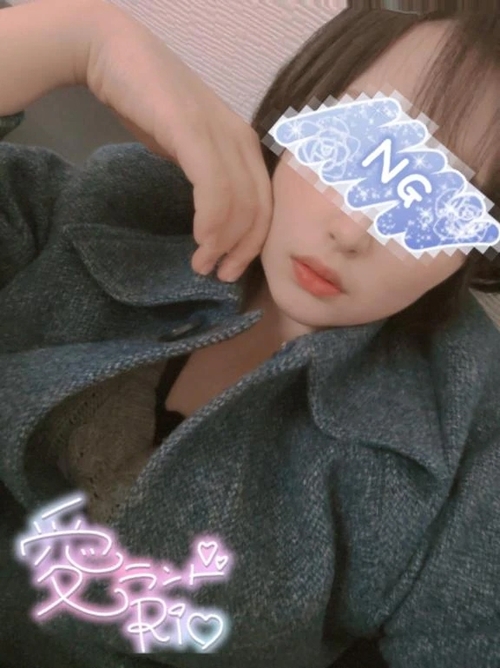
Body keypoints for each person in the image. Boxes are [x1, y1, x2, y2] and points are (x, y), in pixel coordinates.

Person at [0, 1, 499, 668]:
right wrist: (75, 39)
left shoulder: (469, 425)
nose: (352, 230)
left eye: (433, 202)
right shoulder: (108, 207)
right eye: (353, 148)